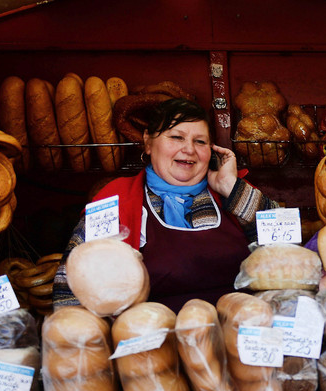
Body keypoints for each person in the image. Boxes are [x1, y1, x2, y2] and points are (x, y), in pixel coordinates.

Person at [52, 97, 281, 311]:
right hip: (151, 342)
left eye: (200, 141)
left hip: (240, 334)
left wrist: (230, 186)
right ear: (148, 143)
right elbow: (71, 289)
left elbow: (286, 245)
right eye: (176, 137)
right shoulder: (116, 199)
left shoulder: (231, 191)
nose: (189, 149)